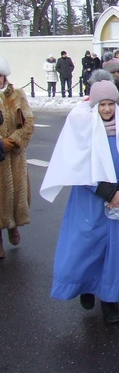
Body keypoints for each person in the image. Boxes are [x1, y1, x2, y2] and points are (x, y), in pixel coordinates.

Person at [40, 80, 119, 324]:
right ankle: (86, 286)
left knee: (116, 248)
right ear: (93, 104)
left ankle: (110, 300)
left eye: (111, 104)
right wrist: (107, 192)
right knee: (88, 246)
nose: (107, 109)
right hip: (91, 200)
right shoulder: (83, 127)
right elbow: (77, 165)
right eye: (102, 104)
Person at [0, 56, 34, 258]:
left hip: (15, 157)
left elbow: (29, 122)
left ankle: (13, 226)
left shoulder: (17, 95)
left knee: (16, 197)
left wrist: (15, 139)